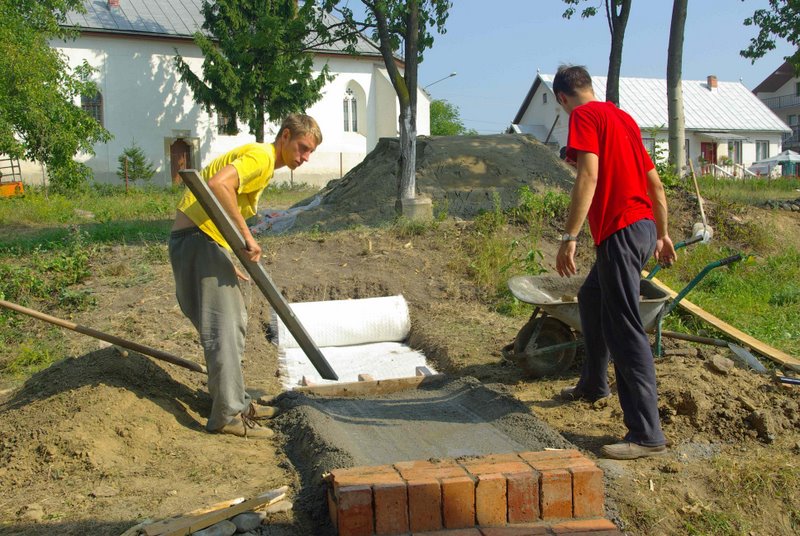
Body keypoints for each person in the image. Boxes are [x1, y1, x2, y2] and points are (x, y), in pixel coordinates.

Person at [169, 114, 321, 439]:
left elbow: (220, 200)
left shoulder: (262, 161)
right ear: (285, 136)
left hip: (205, 242)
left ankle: (237, 403)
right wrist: (246, 238)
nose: (305, 157)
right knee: (224, 329)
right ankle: (227, 415)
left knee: (233, 322)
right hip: (198, 241)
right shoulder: (262, 156)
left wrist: (228, 254)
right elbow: (218, 185)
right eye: (302, 147)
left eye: (310, 152)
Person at [552, 65, 676, 460]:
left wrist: (569, 237)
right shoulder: (623, 119)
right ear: (590, 86)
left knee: (624, 328)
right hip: (642, 228)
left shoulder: (583, 116)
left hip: (621, 231)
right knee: (591, 297)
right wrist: (662, 234)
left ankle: (647, 435)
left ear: (562, 98)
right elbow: (654, 184)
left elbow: (588, 176)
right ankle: (593, 384)